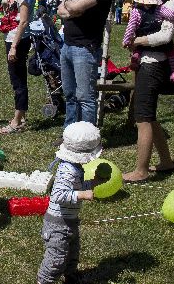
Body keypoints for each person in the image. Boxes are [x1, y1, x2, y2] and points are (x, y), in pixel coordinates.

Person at [122, 0, 174, 182]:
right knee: (149, 115)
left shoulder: (171, 6)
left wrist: (137, 40)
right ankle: (166, 161)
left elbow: (165, 37)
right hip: (148, 62)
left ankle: (141, 170)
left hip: (154, 65)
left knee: (143, 118)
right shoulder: (159, 5)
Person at [37, 121, 108, 284]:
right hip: (57, 224)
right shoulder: (67, 170)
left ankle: (71, 275)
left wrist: (92, 183)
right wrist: (83, 194)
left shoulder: (76, 167)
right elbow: (59, 195)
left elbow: (77, 186)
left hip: (70, 221)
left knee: (72, 253)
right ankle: (44, 280)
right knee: (56, 258)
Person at [57, 0, 114, 128]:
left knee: (86, 97)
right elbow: (61, 10)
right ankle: (69, 135)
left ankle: (88, 139)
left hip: (85, 48)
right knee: (70, 94)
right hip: (67, 46)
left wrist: (71, 7)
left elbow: (72, 8)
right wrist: (70, 6)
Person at [0, 0, 35, 134]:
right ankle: (20, 115)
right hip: (12, 36)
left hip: (18, 39)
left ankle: (17, 121)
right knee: (17, 79)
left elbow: (24, 20)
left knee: (18, 80)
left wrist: (13, 45)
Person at [122, 0, 174, 84]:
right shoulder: (160, 8)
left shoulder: (136, 11)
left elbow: (131, 27)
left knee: (138, 50)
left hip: (143, 40)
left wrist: (126, 40)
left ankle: (135, 58)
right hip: (157, 39)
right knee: (172, 54)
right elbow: (171, 14)